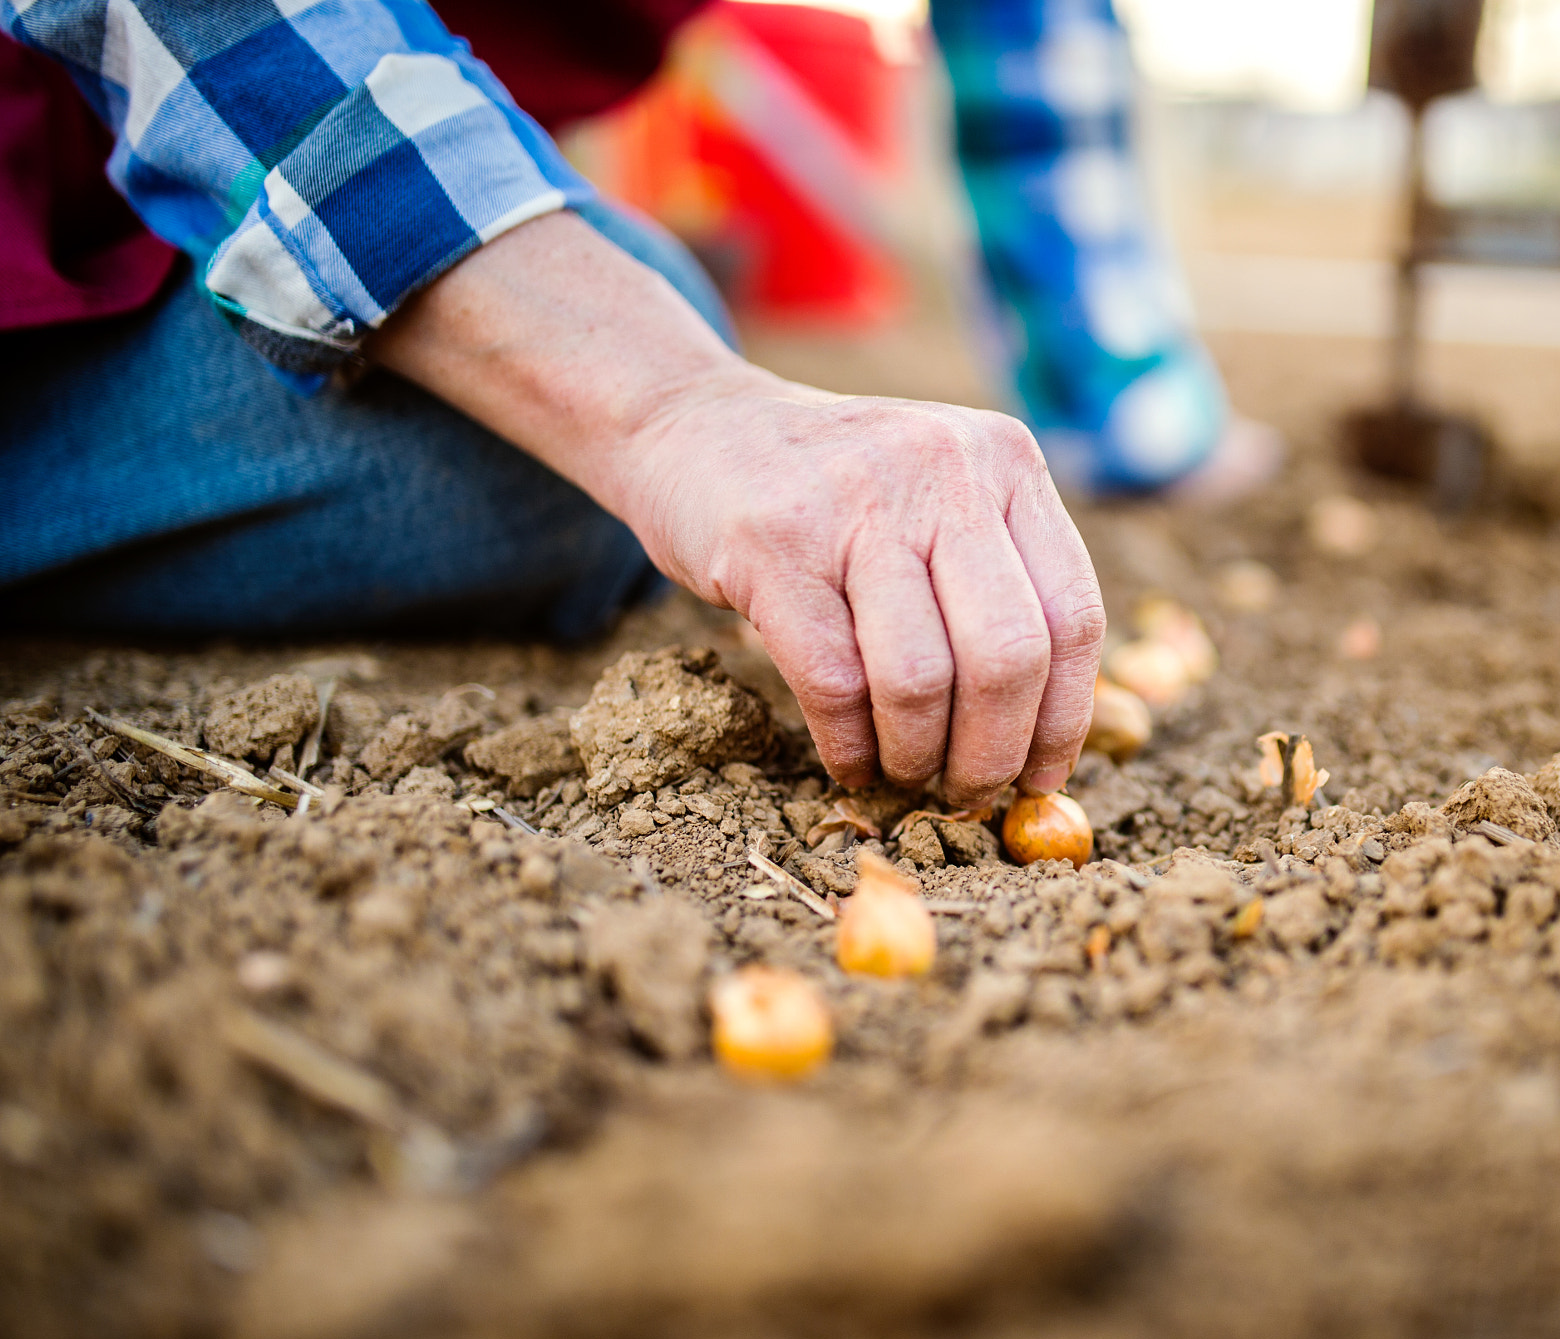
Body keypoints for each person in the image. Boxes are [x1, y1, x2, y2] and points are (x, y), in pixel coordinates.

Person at [0, 0, 1254, 810]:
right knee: (572, 419)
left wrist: (1126, 409)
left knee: (596, 354)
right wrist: (670, 407)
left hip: (185, 219)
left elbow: (1038, 59)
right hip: (42, 205)